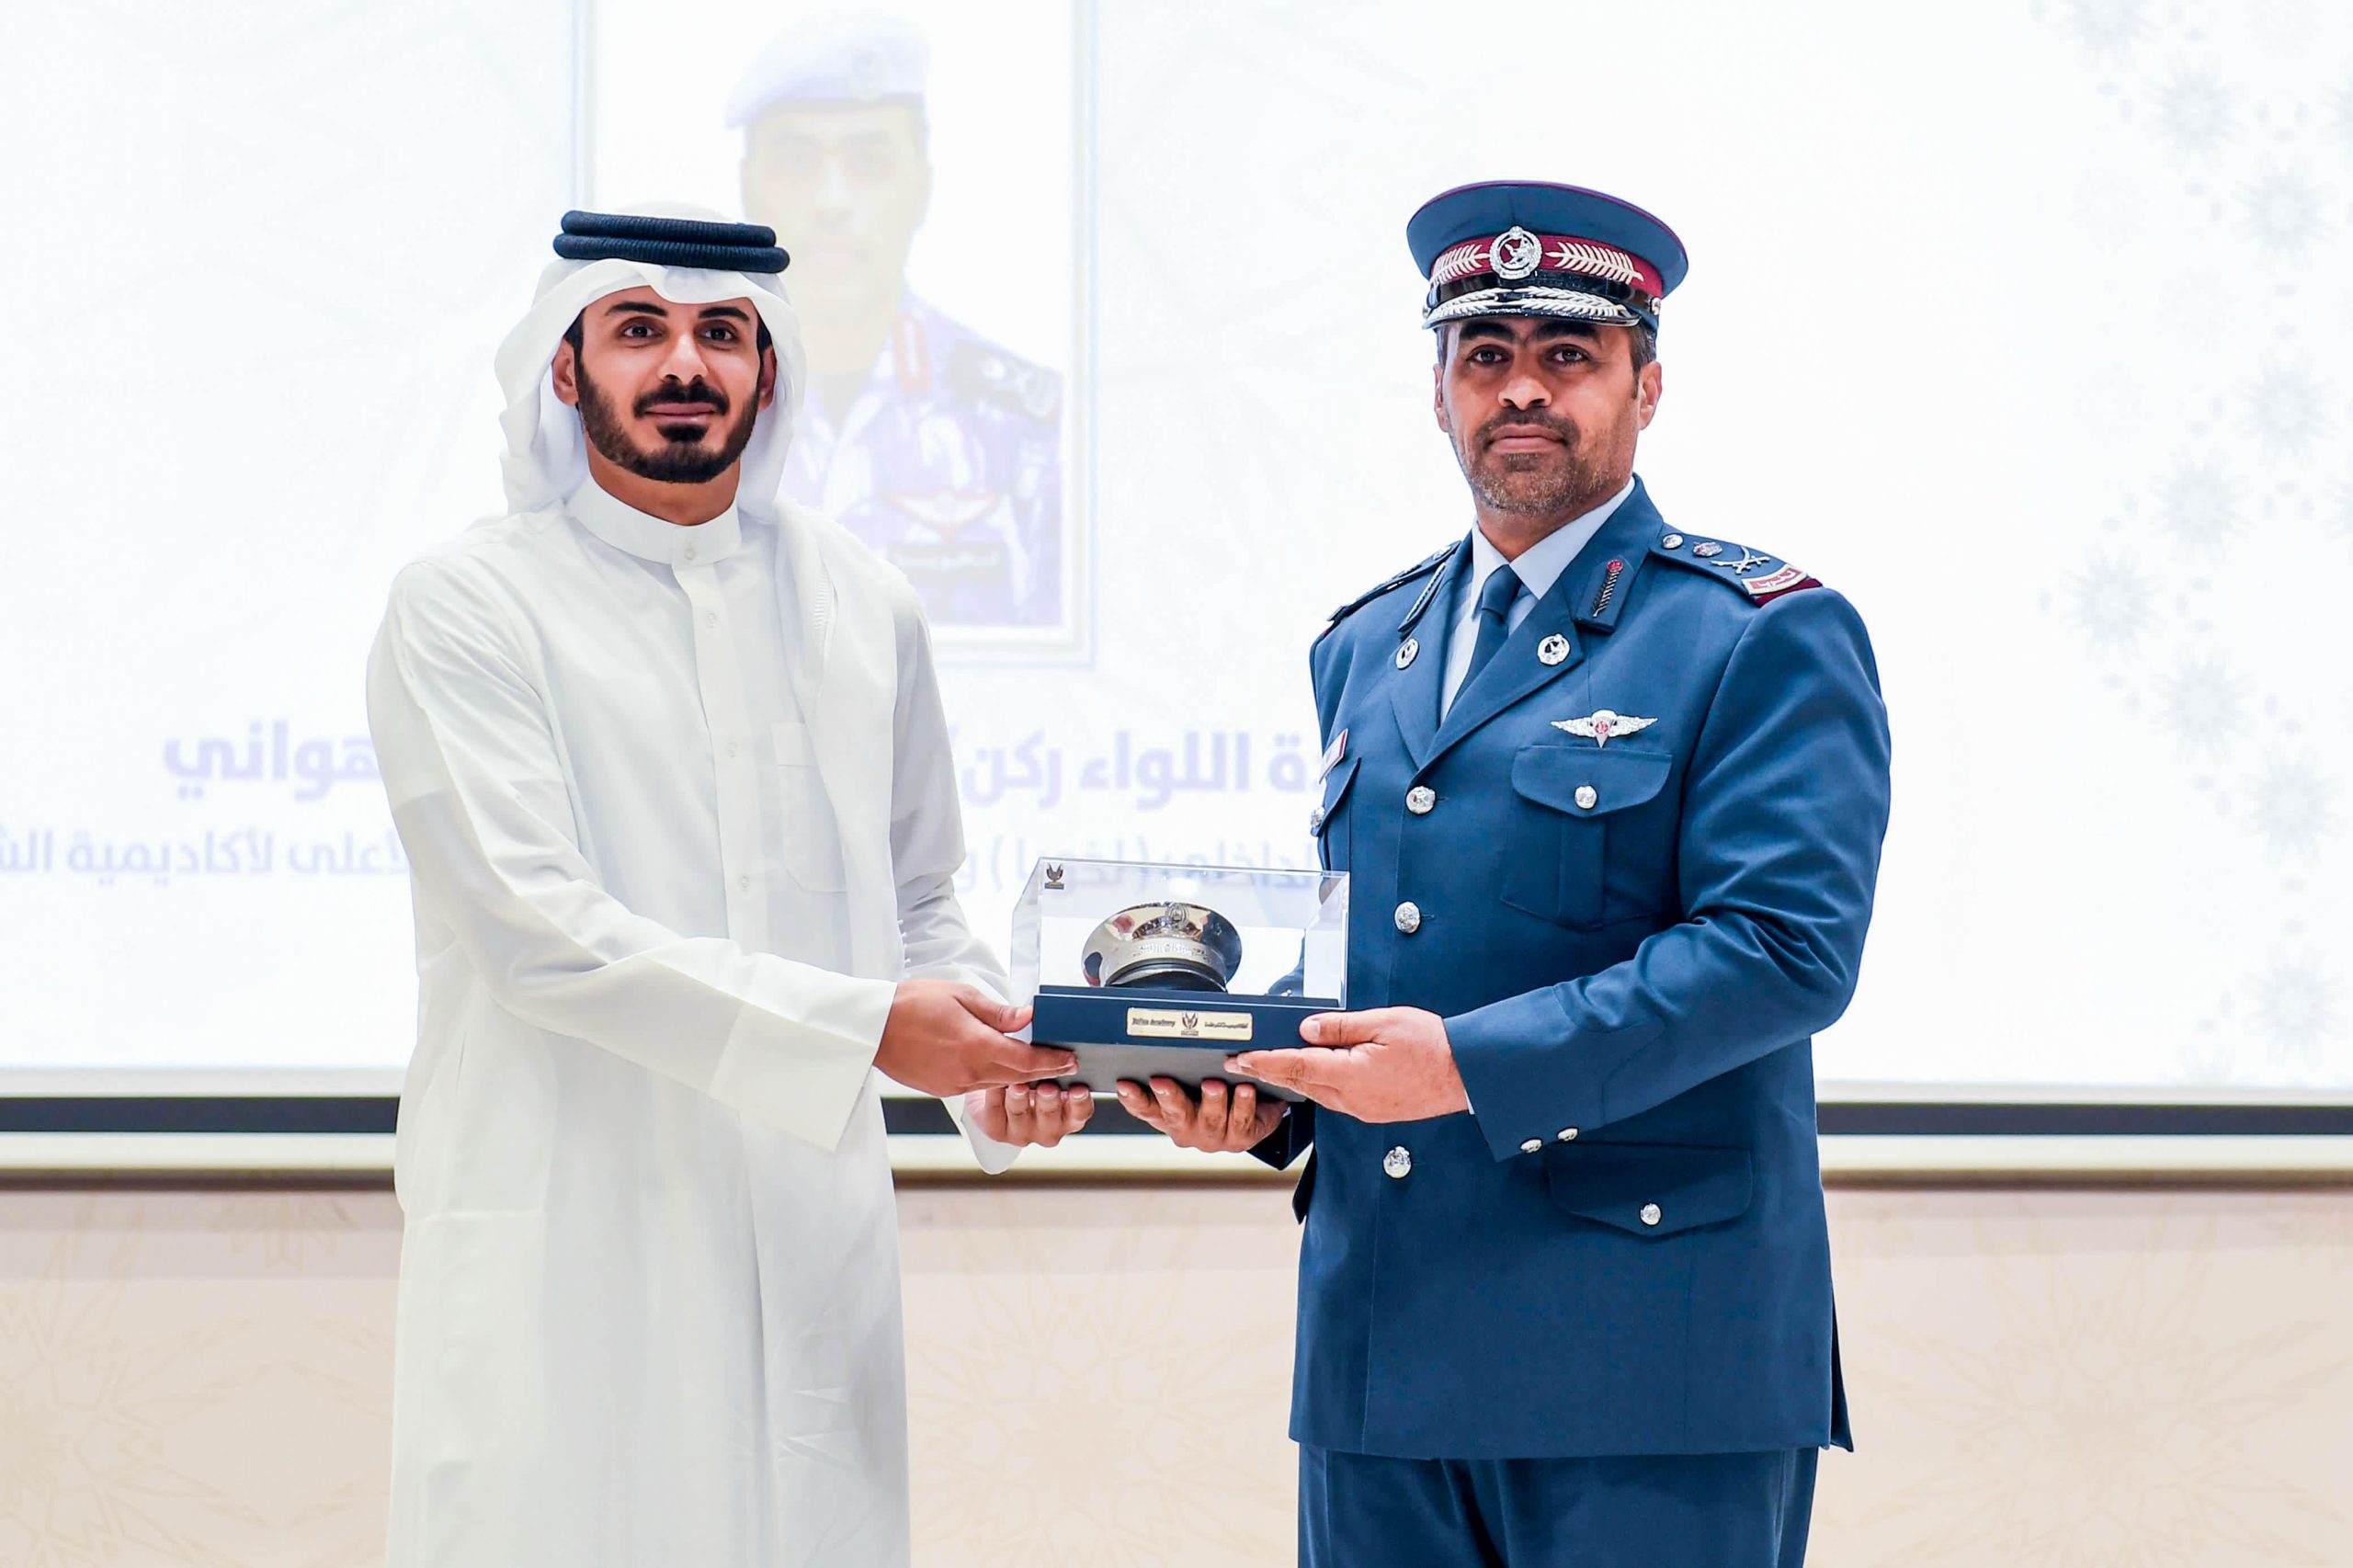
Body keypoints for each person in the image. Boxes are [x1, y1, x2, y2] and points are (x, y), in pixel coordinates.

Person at [1116, 181, 1893, 1566]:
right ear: (1439, 392)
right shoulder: (1363, 647)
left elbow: (1785, 952)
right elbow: (1385, 957)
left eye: (1567, 356)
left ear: (1646, 388)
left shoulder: (1757, 633)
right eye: (1488, 356)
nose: (1522, 391)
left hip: (1651, 1363)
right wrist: (1270, 1097)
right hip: (1387, 1351)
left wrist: (1462, 1066)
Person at [365, 206, 1082, 1568]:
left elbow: (922, 897)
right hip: (568, 1243)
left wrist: (997, 1059)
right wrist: (876, 1030)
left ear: (768, 367)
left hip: (810, 1244)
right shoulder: (466, 604)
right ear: (567, 369)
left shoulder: (867, 601)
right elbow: (542, 936)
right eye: (639, 330)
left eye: (720, 332)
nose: (683, 362)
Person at [729, 12, 1064, 631]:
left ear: (922, 188)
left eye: (869, 161)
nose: (832, 201)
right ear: (749, 186)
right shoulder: (682, 411)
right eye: (799, 163)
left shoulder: (1022, 425)